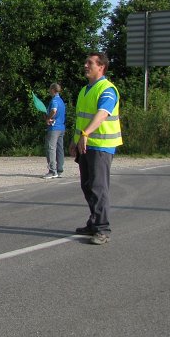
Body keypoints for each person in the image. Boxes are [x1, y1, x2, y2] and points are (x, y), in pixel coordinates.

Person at [69, 51, 122, 245]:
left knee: (99, 187)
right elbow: (81, 118)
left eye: (90, 63)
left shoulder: (107, 89)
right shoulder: (84, 90)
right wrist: (75, 140)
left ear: (101, 67)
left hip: (101, 146)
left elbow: (103, 113)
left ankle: (102, 228)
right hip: (85, 145)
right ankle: (94, 222)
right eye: (85, 62)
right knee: (87, 185)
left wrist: (85, 134)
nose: (85, 65)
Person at [42, 83, 66, 179]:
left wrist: (48, 117)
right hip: (61, 127)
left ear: (53, 89)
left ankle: (52, 171)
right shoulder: (61, 100)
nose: (49, 90)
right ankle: (59, 170)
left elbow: (54, 110)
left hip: (54, 127)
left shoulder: (55, 100)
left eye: (49, 88)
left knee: (51, 148)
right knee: (60, 149)